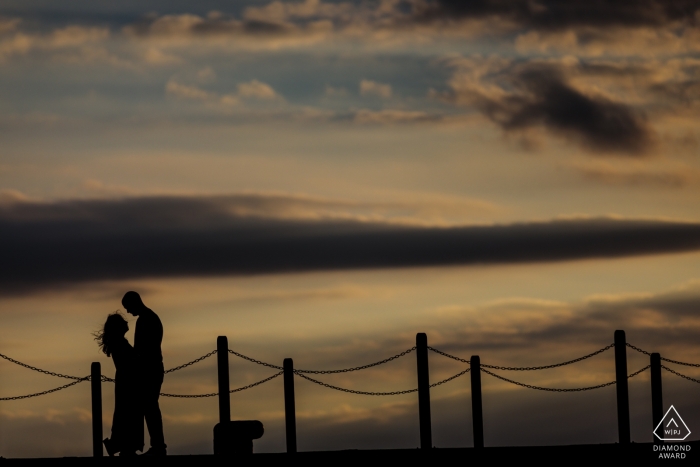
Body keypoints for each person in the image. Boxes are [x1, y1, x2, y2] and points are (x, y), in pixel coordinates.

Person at [122, 291, 167, 456]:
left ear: (135, 303)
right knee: (150, 408)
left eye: (128, 307)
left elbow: (145, 349)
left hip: (150, 370)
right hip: (152, 368)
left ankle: (158, 447)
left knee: (150, 408)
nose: (127, 312)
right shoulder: (149, 318)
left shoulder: (146, 320)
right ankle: (157, 446)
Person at [94, 312, 144, 456]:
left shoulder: (119, 342)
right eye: (123, 321)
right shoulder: (120, 343)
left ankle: (122, 445)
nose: (126, 323)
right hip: (128, 382)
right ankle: (125, 446)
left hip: (125, 381)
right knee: (129, 413)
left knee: (125, 413)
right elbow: (130, 362)